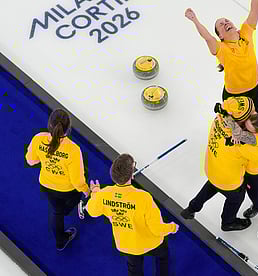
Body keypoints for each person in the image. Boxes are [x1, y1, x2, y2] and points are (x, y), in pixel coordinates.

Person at [185, 0, 258, 112]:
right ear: (221, 36)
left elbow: (255, 9)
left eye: (226, 21)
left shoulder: (245, 32)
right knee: (236, 131)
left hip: (256, 90)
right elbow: (207, 37)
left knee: (252, 126)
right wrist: (195, 20)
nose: (226, 23)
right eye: (221, 25)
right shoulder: (221, 49)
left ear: (235, 27)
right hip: (234, 97)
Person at [181, 96, 258, 231]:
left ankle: (192, 208)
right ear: (242, 120)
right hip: (229, 180)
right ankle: (228, 222)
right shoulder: (241, 142)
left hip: (212, 167)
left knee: (213, 184)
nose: (254, 115)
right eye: (251, 114)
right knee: (236, 198)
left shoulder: (219, 118)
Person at [86, 153, 178, 276]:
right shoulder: (143, 197)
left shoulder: (104, 194)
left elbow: (92, 211)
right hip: (150, 243)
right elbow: (157, 229)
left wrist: (95, 192)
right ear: (131, 175)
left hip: (126, 244)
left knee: (134, 269)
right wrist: (171, 227)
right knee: (163, 256)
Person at [25, 108, 89, 251]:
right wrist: (87, 191)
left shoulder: (38, 138)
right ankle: (66, 210)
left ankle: (60, 241)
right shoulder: (73, 150)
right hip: (67, 190)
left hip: (46, 185)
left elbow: (30, 161)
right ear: (68, 128)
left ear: (49, 124)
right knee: (83, 178)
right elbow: (77, 181)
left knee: (56, 212)